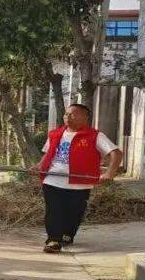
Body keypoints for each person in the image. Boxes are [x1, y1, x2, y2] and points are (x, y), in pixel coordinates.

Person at [34, 103, 123, 254]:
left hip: (80, 184)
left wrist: (109, 173)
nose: (67, 117)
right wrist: (38, 167)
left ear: (85, 117)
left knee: (74, 213)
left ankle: (68, 234)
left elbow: (116, 153)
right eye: (66, 114)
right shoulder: (55, 134)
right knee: (54, 210)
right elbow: (48, 154)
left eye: (73, 114)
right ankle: (53, 240)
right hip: (53, 180)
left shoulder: (95, 136)